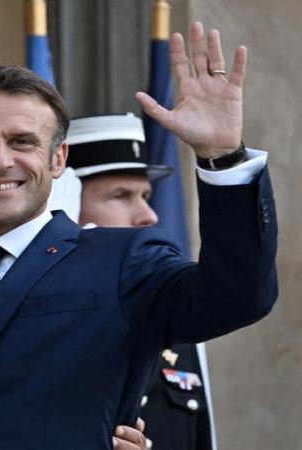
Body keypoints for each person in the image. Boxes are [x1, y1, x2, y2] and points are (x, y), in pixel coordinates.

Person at [0, 22, 277, 450]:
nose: (0, 160)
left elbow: (238, 295)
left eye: (22, 141)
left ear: (58, 158)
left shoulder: (124, 262)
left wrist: (222, 158)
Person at [63, 113, 219, 450]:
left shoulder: (169, 311)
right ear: (65, 202)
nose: (149, 216)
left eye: (145, 196)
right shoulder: (33, 322)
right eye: (120, 196)